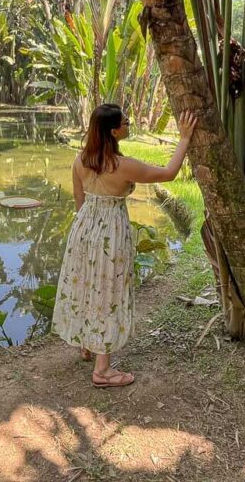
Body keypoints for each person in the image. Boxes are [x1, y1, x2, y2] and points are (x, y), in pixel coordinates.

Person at [54, 103, 197, 388]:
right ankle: (102, 371)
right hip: (110, 231)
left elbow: (79, 199)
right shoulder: (123, 165)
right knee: (108, 289)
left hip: (83, 228)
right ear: (113, 131)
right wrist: (183, 138)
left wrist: (87, 228)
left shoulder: (80, 159)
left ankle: (87, 344)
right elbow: (168, 173)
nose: (129, 124)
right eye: (126, 122)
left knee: (86, 284)